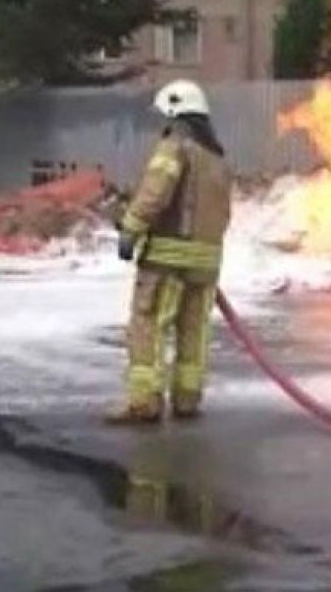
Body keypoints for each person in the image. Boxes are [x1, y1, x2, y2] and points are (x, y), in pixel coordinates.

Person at [108, 80, 232, 424]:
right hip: (206, 265)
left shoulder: (176, 147)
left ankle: (143, 402)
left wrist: (130, 230)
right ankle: (187, 399)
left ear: (178, 113)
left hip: (167, 260)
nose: (163, 124)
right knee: (193, 333)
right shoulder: (217, 159)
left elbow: (155, 194)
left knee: (148, 325)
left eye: (166, 115)